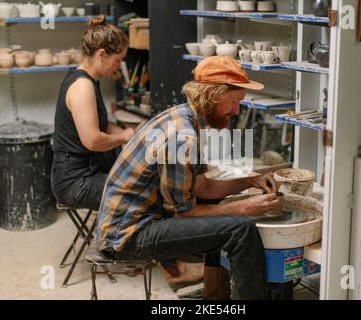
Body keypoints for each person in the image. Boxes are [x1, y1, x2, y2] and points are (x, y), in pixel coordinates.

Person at [96, 56, 281, 300]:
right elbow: (183, 212)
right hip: (129, 236)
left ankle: (215, 298)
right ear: (213, 94)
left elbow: (202, 187)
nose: (236, 111)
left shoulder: (184, 116)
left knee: (223, 212)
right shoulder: (183, 135)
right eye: (235, 102)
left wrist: (250, 181)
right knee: (240, 229)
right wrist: (243, 206)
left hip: (135, 222)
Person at [51, 15, 134, 210]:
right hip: (75, 181)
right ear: (102, 54)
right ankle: (117, 239)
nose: (118, 66)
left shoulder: (86, 80)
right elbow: (93, 140)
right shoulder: (82, 86)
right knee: (140, 192)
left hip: (86, 171)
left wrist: (131, 133)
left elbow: (101, 124)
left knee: (141, 181)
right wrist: (124, 137)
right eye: (118, 60)